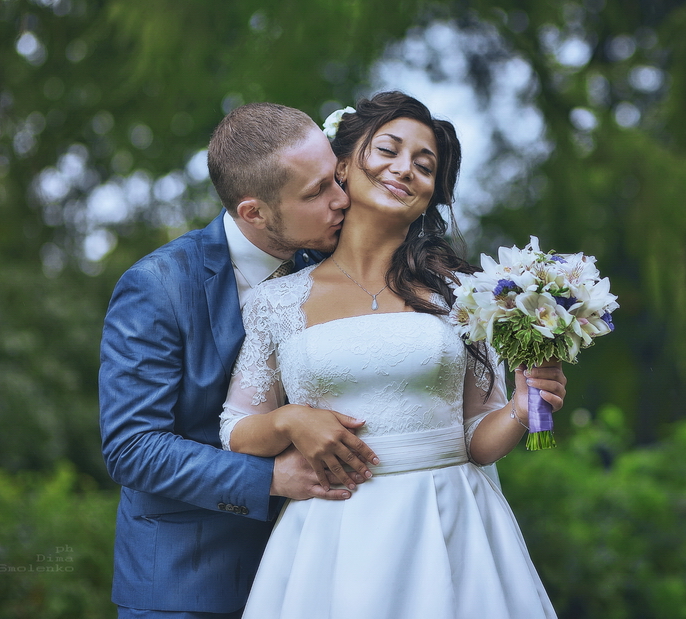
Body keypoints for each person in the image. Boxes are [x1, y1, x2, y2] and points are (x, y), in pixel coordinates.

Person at [220, 91, 565, 618]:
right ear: (341, 165)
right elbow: (235, 429)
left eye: (425, 166)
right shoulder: (276, 299)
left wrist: (521, 408)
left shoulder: (465, 296)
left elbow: (476, 440)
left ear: (431, 194)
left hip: (450, 525)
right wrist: (290, 420)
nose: (406, 170)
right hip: (331, 536)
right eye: (388, 150)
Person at [99, 102, 381, 619]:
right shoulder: (157, 287)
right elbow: (132, 448)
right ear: (253, 212)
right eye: (316, 192)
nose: (342, 200)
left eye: (335, 179)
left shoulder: (336, 264)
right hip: (189, 584)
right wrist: (271, 478)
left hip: (321, 570)